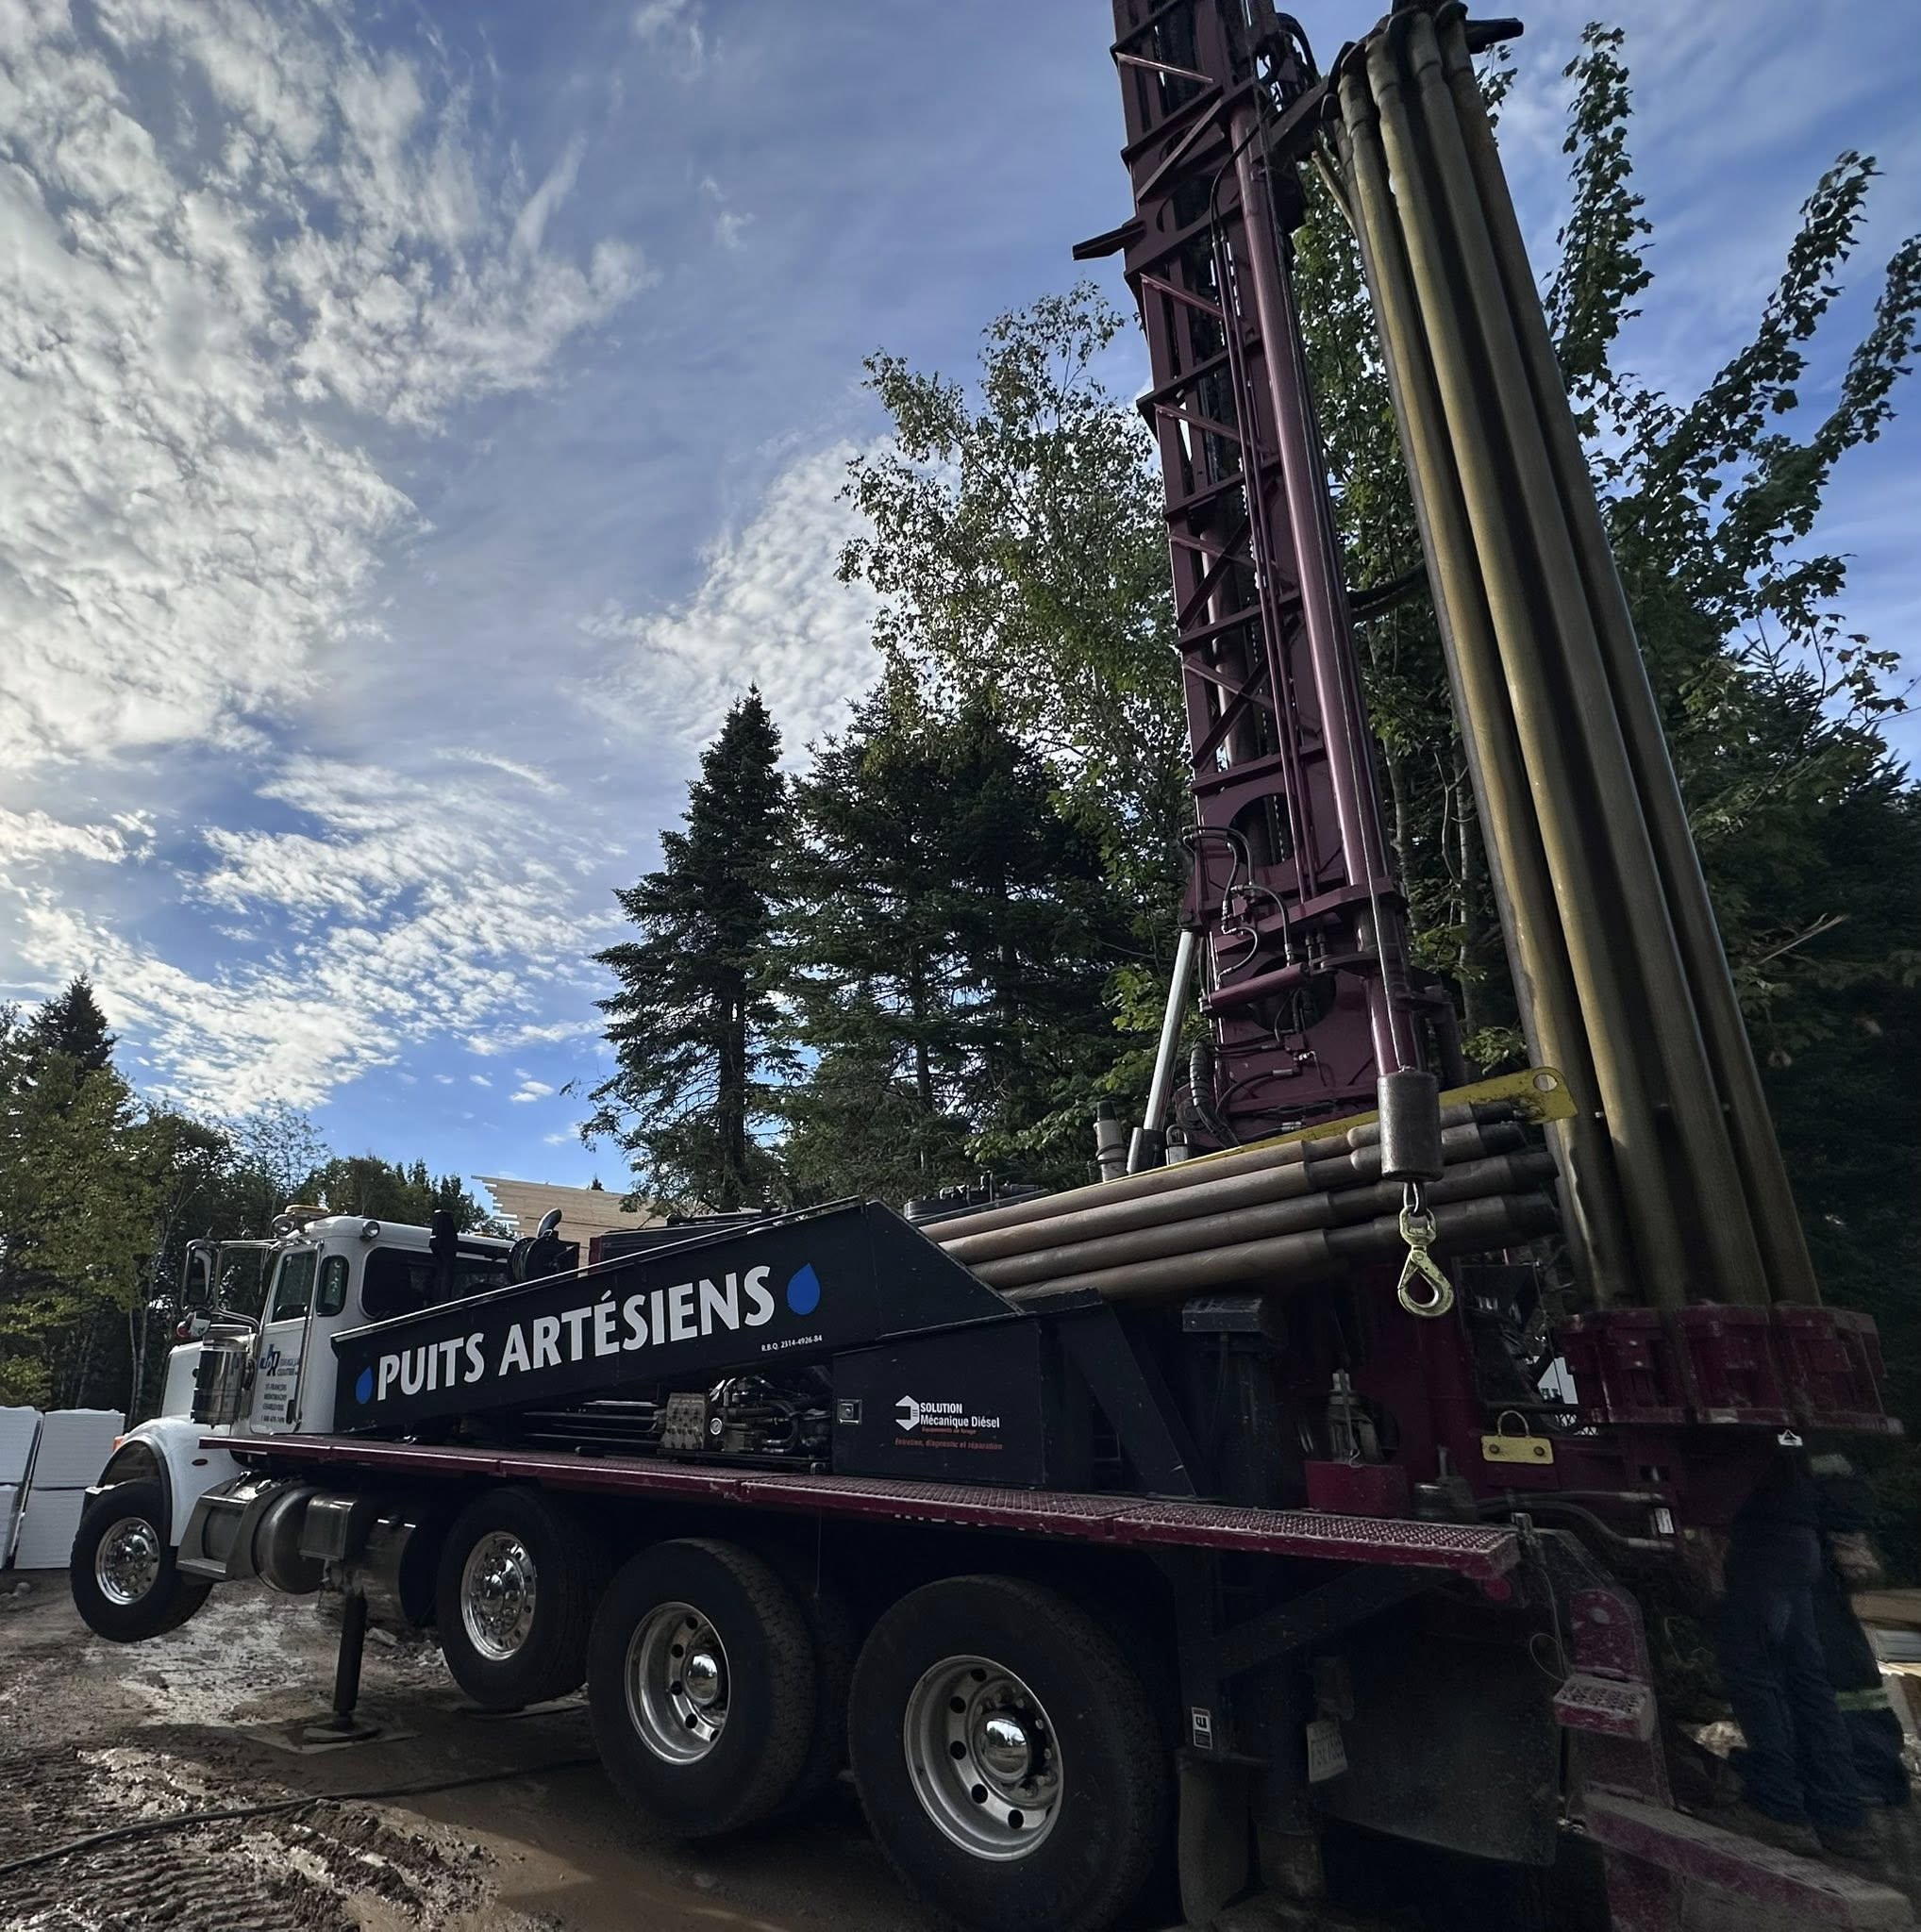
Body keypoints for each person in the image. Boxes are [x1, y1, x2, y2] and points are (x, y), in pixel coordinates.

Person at [1715, 1440, 1873, 1858]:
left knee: (1758, 1678)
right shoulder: (1792, 1423)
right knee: (1807, 1681)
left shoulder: (1743, 1423)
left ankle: (1779, 1812)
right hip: (1797, 1543)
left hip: (1758, 1543)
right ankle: (1842, 1818)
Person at [1811, 1452, 1913, 1811]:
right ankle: (1878, 1776)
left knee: (1844, 1689)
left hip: (1828, 1622)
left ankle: (1871, 1777)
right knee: (1855, 1688)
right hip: (1839, 1622)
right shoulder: (1842, 1501)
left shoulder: (1815, 1505)